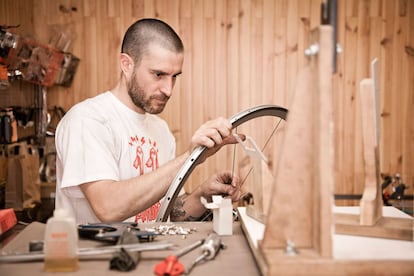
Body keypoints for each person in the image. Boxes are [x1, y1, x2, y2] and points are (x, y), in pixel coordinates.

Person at [55, 18, 242, 224]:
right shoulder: (87, 120)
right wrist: (190, 157)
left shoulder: (160, 129)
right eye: (158, 74)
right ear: (126, 64)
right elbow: (108, 208)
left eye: (174, 77)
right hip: (98, 257)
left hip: (153, 255)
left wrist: (201, 196)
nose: (168, 89)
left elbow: (170, 213)